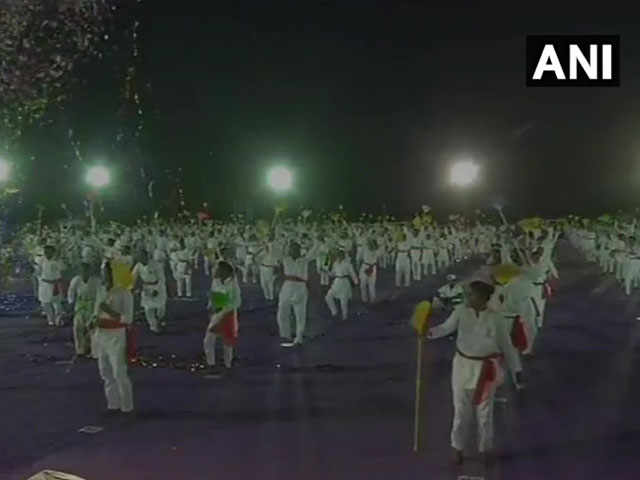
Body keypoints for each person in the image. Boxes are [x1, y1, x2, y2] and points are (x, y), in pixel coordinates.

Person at [427, 280, 523, 466]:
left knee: (484, 412)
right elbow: (445, 328)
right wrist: (427, 332)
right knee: (461, 411)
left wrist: (516, 370)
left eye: (472, 295)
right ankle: (457, 447)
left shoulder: (496, 318)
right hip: (462, 366)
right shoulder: (461, 312)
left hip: (486, 370)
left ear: (483, 298)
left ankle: (485, 448)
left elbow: (507, 346)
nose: (468, 297)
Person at [91, 260, 135, 416]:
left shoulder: (125, 293)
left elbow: (128, 319)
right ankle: (113, 405)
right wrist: (93, 320)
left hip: (117, 335)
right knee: (105, 371)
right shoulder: (101, 290)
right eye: (103, 272)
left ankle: (127, 408)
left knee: (119, 372)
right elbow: (96, 311)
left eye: (108, 272)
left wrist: (109, 311)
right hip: (101, 335)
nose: (105, 276)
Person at [276, 240, 318, 346]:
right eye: (291, 249)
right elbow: (275, 251)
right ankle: (285, 335)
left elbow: (314, 251)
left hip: (300, 288)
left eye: (295, 250)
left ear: (299, 251)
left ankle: (299, 338)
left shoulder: (304, 260)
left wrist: (317, 242)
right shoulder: (286, 259)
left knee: (300, 315)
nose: (293, 251)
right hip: (287, 287)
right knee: (282, 314)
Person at [204, 260, 242, 374]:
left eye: (216, 268)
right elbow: (214, 294)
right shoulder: (215, 281)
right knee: (209, 339)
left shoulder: (233, 283)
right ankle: (211, 364)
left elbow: (237, 302)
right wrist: (210, 306)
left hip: (228, 315)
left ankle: (228, 365)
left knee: (227, 343)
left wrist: (223, 310)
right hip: (216, 313)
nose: (214, 270)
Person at [67, 263, 102, 357]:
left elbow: (100, 295)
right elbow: (71, 292)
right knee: (78, 328)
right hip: (80, 307)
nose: (84, 272)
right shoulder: (76, 280)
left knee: (92, 329)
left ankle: (94, 351)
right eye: (82, 270)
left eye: (86, 270)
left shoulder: (97, 281)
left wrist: (97, 310)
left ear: (90, 271)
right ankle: (80, 349)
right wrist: (71, 303)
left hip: (92, 306)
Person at [132, 250, 167, 333]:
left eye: (143, 257)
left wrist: (157, 289)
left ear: (147, 256)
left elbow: (162, 278)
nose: (141, 259)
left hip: (158, 286)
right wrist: (131, 287)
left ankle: (160, 319)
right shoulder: (138, 266)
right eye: (139, 257)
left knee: (161, 308)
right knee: (148, 308)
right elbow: (133, 277)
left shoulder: (156, 264)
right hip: (146, 288)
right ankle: (153, 326)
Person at [326, 249, 359, 320]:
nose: (339, 256)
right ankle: (334, 312)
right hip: (336, 282)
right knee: (328, 297)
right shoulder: (335, 264)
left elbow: (352, 274)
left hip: (344, 283)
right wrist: (327, 271)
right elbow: (332, 274)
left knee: (343, 302)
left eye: (341, 255)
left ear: (343, 256)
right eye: (338, 255)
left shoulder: (347, 264)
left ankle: (344, 317)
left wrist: (356, 282)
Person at [36, 245, 64, 326]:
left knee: (56, 303)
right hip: (44, 284)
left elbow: (61, 272)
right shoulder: (42, 261)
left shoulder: (57, 261)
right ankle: (50, 319)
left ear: (53, 252)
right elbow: (39, 271)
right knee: (46, 303)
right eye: (46, 252)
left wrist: (57, 282)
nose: (47, 254)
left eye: (49, 252)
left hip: (55, 283)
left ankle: (58, 319)